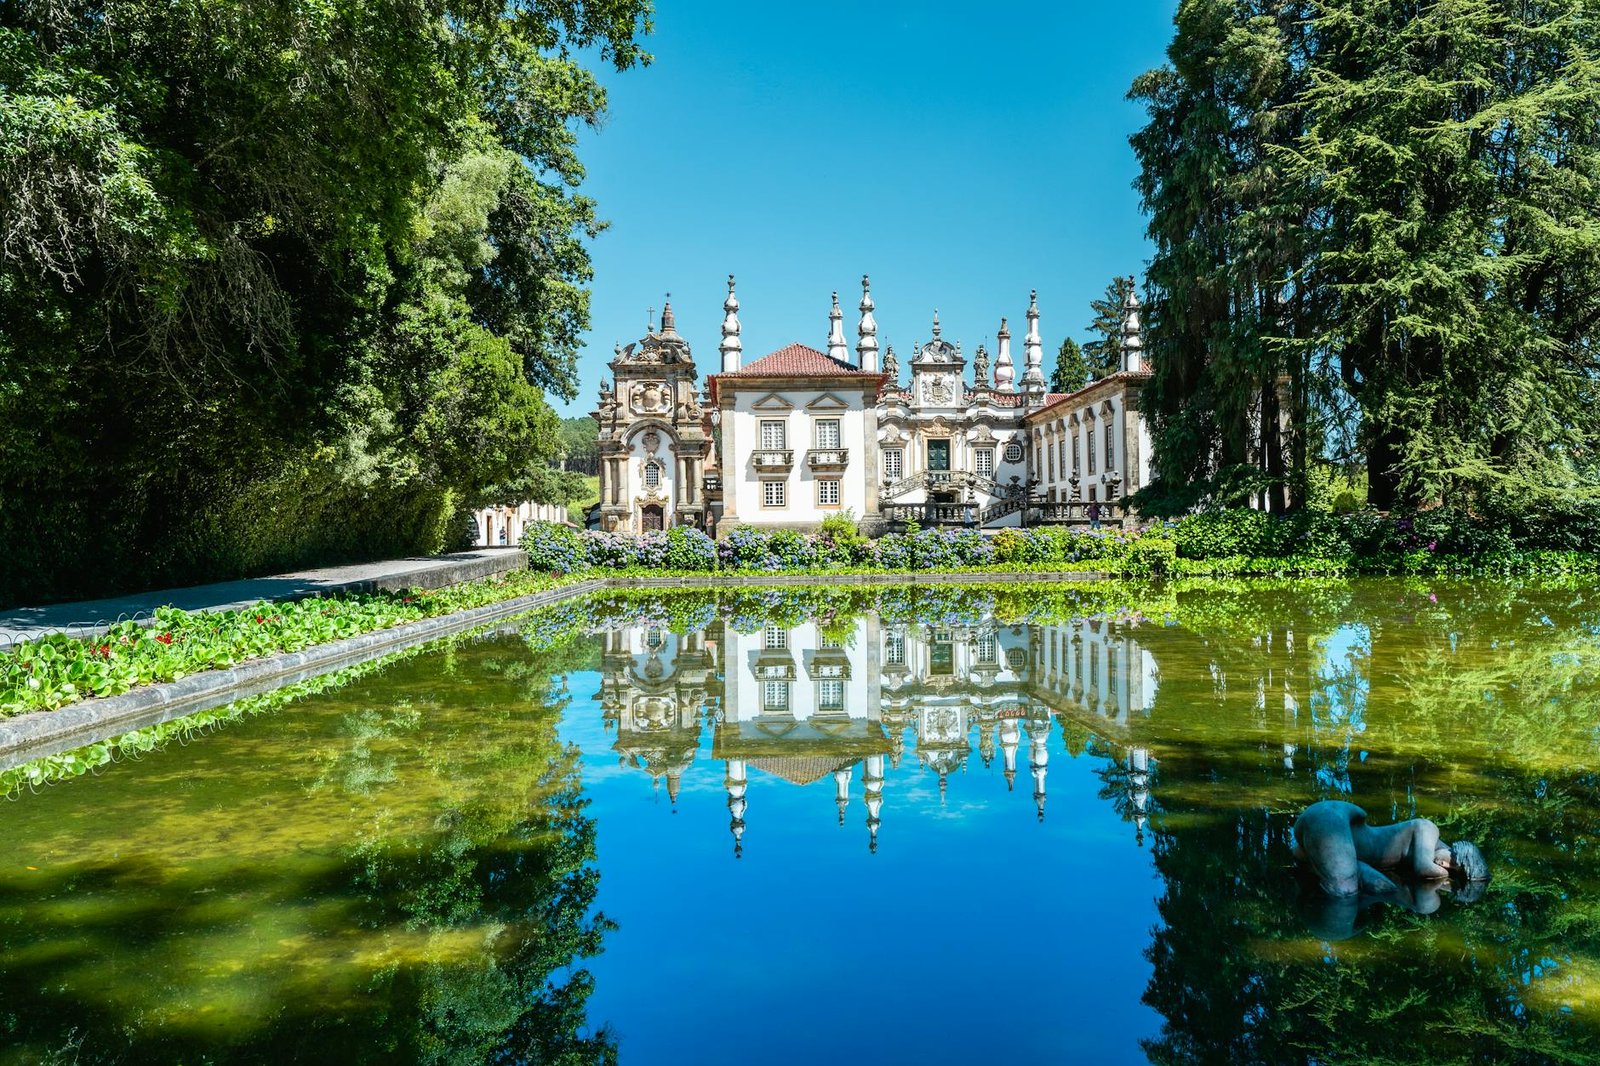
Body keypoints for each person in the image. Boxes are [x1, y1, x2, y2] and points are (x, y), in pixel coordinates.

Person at [1291, 800, 1490, 939]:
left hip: (1329, 833)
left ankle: (1332, 864)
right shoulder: (1428, 829)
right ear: (1454, 848)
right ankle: (1352, 869)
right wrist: (1449, 878)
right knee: (1345, 892)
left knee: (1345, 909)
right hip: (1330, 818)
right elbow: (1424, 869)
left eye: (1451, 869)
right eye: (1451, 860)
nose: (1444, 865)